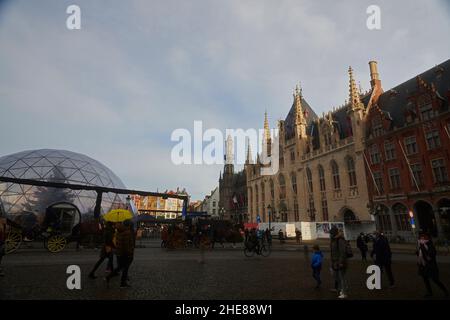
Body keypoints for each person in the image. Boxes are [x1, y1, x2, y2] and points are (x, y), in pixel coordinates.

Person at [416, 231, 449, 298]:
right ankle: (429, 292)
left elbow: (429, 256)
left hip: (431, 266)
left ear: (428, 237)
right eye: (421, 237)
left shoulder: (430, 245)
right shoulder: (421, 245)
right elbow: (420, 255)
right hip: (423, 266)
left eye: (424, 236)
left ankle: (446, 291)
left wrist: (422, 249)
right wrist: (418, 252)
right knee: (425, 280)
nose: (422, 238)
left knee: (435, 280)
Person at [106, 220, 135, 288]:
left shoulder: (119, 231)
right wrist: (130, 253)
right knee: (125, 268)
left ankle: (109, 277)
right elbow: (127, 245)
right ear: (129, 226)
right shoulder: (127, 233)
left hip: (119, 252)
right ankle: (122, 283)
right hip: (126, 254)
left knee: (120, 267)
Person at [330, 226, 348, 299]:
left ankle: (344, 293)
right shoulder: (333, 240)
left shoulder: (339, 240)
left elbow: (342, 252)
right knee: (336, 277)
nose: (330, 235)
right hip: (335, 262)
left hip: (340, 262)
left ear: (334, 233)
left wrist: (341, 262)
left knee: (341, 278)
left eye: (331, 233)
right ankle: (342, 288)